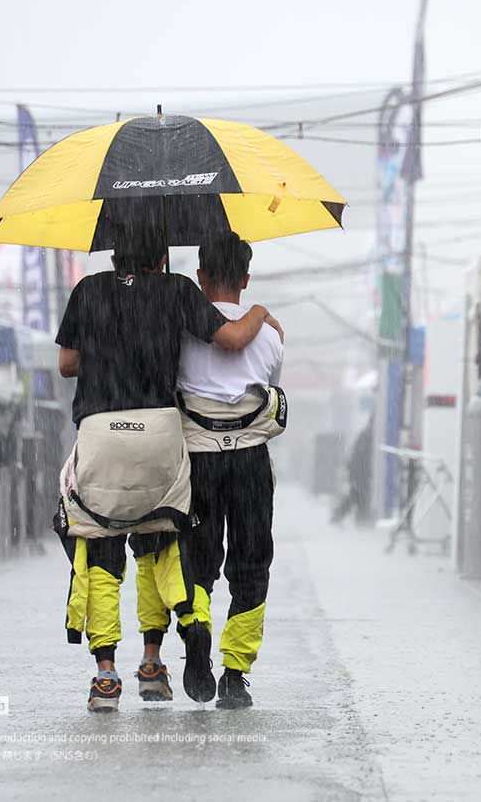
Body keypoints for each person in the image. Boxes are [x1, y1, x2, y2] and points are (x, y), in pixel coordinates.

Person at [54, 229, 281, 712]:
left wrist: (110, 338)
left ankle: (109, 671)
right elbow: (237, 342)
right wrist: (260, 312)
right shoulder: (180, 296)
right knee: (188, 549)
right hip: (192, 445)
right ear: (163, 256)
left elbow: (67, 364)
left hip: (116, 436)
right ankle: (194, 667)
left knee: (110, 548)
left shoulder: (89, 290)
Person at [169, 231, 284, 709]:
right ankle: (235, 674)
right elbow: (269, 385)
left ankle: (197, 630)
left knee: (197, 560)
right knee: (251, 563)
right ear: (245, 278)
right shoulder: (269, 334)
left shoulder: (181, 329)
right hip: (251, 465)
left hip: (197, 463)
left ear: (199, 277)